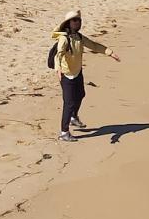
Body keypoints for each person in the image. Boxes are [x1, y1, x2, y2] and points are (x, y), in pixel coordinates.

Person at [50, 8, 120, 141]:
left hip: (77, 72)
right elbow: (58, 55)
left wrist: (109, 52)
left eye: (78, 20)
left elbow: (93, 45)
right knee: (69, 103)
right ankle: (64, 132)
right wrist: (58, 69)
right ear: (68, 23)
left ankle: (73, 117)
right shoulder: (64, 39)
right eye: (74, 20)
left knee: (81, 94)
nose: (77, 23)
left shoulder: (79, 37)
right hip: (66, 74)